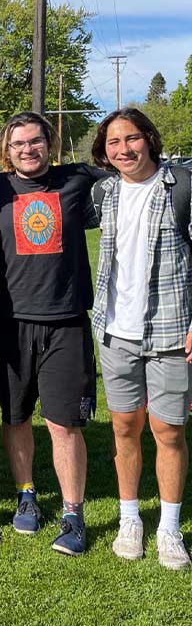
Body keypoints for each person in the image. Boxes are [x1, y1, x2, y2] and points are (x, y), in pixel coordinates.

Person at [0, 111, 106, 556]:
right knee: (15, 417)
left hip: (66, 321)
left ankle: (73, 513)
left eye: (35, 142)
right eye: (18, 145)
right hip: (11, 323)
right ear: (6, 150)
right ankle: (27, 493)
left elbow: (127, 172)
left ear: (49, 143)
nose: (28, 150)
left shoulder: (77, 180)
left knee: (63, 423)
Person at [90, 108, 192, 570]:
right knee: (124, 429)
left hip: (170, 329)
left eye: (131, 139)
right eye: (113, 143)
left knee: (168, 431)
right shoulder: (104, 192)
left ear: (148, 139)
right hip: (115, 332)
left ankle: (169, 528)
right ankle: (130, 517)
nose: (123, 150)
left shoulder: (182, 188)